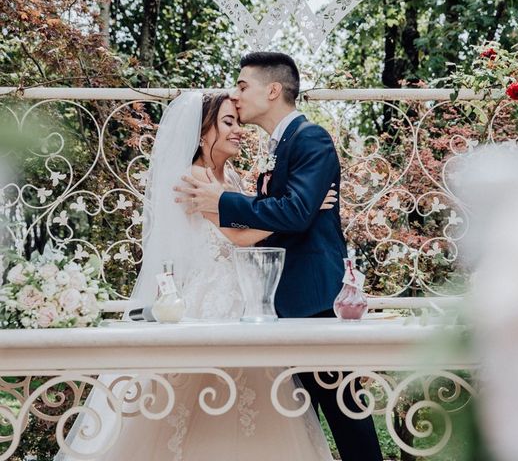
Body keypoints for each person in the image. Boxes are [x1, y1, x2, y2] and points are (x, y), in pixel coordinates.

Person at [56, 92, 335, 460]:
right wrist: (304, 212)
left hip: (243, 302)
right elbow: (236, 235)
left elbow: (250, 223)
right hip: (206, 304)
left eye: (238, 121)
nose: (239, 131)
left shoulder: (230, 176)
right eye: (228, 122)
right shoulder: (193, 177)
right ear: (203, 134)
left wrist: (287, 210)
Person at [175, 52, 383, 461]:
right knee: (295, 420)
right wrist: (292, 207)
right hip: (281, 303)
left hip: (316, 300)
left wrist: (234, 200)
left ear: (272, 90)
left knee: (347, 415)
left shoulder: (310, 138)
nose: (236, 96)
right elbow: (285, 215)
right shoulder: (277, 147)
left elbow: (292, 212)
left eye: (242, 86)